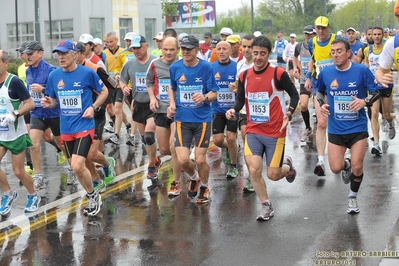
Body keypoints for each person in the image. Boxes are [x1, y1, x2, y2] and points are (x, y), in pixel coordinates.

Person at [225, 35, 299, 221]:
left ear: (269, 54)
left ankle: (287, 168)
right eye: (255, 53)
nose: (258, 57)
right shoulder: (244, 75)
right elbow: (241, 98)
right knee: (254, 169)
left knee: (273, 175)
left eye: (262, 54)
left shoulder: (278, 74)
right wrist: (233, 110)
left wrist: (288, 114)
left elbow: (294, 95)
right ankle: (266, 205)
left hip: (275, 132)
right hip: (254, 130)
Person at [42, 40, 108, 216]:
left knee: (78, 166)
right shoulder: (54, 76)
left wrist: (93, 107)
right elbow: (54, 100)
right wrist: (50, 102)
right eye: (58, 54)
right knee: (75, 166)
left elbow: (104, 92)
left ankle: (93, 196)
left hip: (84, 125)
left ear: (74, 54)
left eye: (64, 54)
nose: (61, 57)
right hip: (66, 128)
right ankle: (93, 187)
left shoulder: (87, 73)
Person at [317, 39, 380, 214]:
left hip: (357, 127)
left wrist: (364, 101)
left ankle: (352, 196)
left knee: (358, 166)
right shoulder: (326, 73)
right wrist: (322, 104)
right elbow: (319, 91)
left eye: (339, 51)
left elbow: (376, 91)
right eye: (333, 52)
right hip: (336, 128)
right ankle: (346, 165)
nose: (335, 55)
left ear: (348, 53)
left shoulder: (361, 70)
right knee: (335, 168)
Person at [167, 35, 219, 204]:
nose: (186, 52)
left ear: (197, 50)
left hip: (202, 119)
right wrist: (172, 104)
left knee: (199, 159)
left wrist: (203, 97)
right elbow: (172, 88)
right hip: (182, 118)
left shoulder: (206, 67)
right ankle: (195, 178)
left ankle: (204, 186)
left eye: (189, 49)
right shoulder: (175, 67)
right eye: (183, 49)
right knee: (182, 160)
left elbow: (214, 93)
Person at [0, 50, 40, 216]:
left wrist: (14, 114)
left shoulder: (14, 82)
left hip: (16, 135)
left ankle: (33, 194)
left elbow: (30, 104)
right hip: (0, 134)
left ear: (6, 63)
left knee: (18, 171)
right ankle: (8, 193)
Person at [24, 41, 66, 189]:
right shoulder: (28, 71)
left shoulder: (51, 70)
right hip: (37, 112)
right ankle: (39, 176)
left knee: (62, 144)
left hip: (53, 112)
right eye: (27, 54)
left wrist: (43, 89)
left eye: (31, 53)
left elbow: (59, 90)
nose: (27, 56)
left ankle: (73, 168)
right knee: (33, 144)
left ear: (40, 54)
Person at [75, 41, 116, 191]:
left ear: (81, 54)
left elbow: (112, 86)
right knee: (82, 154)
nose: (69, 57)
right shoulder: (66, 73)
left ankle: (107, 164)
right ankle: (95, 180)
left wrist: (100, 104)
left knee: (92, 154)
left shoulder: (95, 69)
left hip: (96, 114)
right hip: (78, 118)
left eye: (73, 54)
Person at [120, 35, 160, 179]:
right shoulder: (129, 64)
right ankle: (155, 159)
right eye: (133, 48)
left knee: (149, 135)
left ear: (146, 45)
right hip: (138, 105)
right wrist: (124, 88)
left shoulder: (156, 61)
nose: (136, 50)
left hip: (153, 105)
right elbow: (123, 80)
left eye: (138, 47)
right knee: (144, 139)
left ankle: (151, 166)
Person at [147, 37, 181, 196]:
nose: (168, 52)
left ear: (178, 50)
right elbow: (149, 82)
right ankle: (183, 155)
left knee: (173, 147)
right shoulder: (155, 64)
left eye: (172, 49)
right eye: (165, 49)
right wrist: (152, 98)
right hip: (160, 110)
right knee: (165, 149)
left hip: (177, 111)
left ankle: (176, 182)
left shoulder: (182, 65)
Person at [305, 16, 337, 177]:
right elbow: (314, 60)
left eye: (323, 27)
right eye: (318, 28)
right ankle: (320, 161)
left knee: (338, 120)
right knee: (322, 123)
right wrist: (308, 77)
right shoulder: (312, 43)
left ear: (329, 27)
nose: (321, 31)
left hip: (338, 86)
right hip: (320, 86)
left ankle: (344, 155)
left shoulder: (336, 40)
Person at [363, 26, 395, 155]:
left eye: (378, 34)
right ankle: (376, 144)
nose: (376, 36)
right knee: (374, 113)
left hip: (386, 85)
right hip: (373, 86)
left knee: (385, 115)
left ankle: (391, 123)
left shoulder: (388, 48)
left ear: (383, 35)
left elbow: (393, 64)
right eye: (374, 34)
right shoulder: (367, 50)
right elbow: (366, 64)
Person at [211, 41, 238, 179]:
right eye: (219, 49)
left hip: (233, 109)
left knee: (232, 138)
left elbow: (243, 87)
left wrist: (237, 88)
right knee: (217, 141)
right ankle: (230, 149)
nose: (221, 52)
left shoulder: (236, 67)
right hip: (217, 109)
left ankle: (233, 166)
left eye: (224, 49)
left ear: (230, 51)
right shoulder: (211, 67)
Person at [234, 34, 255, 192]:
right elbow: (239, 86)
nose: (247, 49)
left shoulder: (260, 64)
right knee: (246, 140)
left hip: (260, 111)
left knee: (258, 146)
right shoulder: (239, 65)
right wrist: (235, 87)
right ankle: (249, 177)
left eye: (250, 46)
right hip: (244, 109)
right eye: (245, 46)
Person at [109, 32, 137, 145]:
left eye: (131, 41)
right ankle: (116, 134)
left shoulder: (140, 53)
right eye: (127, 41)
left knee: (134, 110)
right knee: (117, 109)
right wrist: (116, 74)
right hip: (123, 85)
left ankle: (133, 135)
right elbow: (117, 68)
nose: (129, 43)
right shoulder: (122, 54)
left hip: (136, 87)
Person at [293, 26, 314, 142]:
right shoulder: (299, 46)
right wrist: (296, 67)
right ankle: (308, 127)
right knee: (304, 105)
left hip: (315, 78)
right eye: (306, 34)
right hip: (304, 78)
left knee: (319, 107)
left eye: (310, 34)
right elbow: (295, 57)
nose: (308, 36)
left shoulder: (316, 45)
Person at [103, 31, 125, 134]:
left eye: (112, 41)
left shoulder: (123, 52)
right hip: (109, 85)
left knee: (117, 109)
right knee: (111, 109)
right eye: (108, 42)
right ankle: (127, 126)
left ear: (117, 40)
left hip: (120, 84)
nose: (110, 44)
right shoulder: (104, 54)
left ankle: (117, 133)